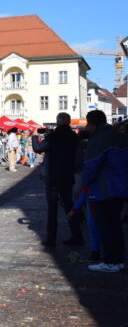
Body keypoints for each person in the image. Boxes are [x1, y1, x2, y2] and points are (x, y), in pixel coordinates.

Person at [81, 110, 128, 273]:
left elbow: (92, 165)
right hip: (120, 187)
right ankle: (118, 259)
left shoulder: (99, 139)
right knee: (115, 225)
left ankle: (110, 261)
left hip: (104, 188)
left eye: (88, 124)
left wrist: (84, 184)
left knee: (106, 226)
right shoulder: (118, 135)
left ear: (92, 124)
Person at [30, 113, 82, 248]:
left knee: (52, 209)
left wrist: (35, 135)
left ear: (58, 122)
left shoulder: (54, 136)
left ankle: (51, 238)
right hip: (68, 176)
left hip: (53, 177)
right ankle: (77, 235)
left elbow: (38, 148)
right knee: (69, 207)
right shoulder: (73, 136)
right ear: (69, 122)